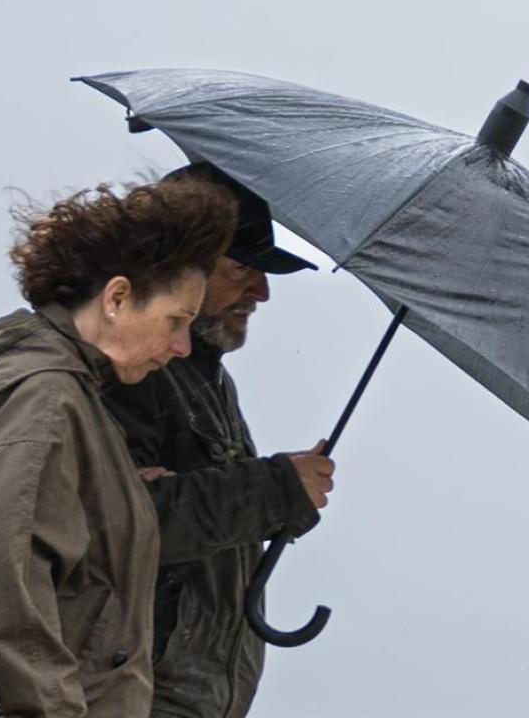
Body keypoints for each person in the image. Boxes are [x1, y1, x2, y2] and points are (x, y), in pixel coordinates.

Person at [0, 176, 237, 718]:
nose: (181, 347)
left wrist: (120, 495)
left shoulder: (73, 398)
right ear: (118, 298)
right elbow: (7, 582)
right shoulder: (47, 400)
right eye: (175, 321)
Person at [104, 163, 335, 718]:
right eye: (244, 268)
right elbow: (121, 526)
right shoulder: (128, 367)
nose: (262, 291)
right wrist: (276, 490)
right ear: (181, 265)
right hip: (130, 698)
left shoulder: (208, 379)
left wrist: (280, 496)